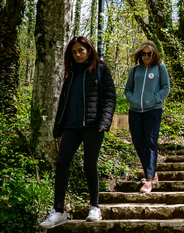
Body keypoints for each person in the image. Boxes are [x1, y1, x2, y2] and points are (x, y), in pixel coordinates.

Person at [39, 36, 116, 229]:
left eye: (81, 50)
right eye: (74, 52)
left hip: (93, 125)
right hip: (71, 127)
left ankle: (94, 207)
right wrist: (58, 128)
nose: (77, 54)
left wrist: (104, 122)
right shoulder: (70, 74)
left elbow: (110, 98)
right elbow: (63, 103)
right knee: (61, 163)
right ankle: (58, 211)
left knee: (90, 165)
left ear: (89, 50)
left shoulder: (101, 69)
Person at [125, 41, 170, 193]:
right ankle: (151, 172)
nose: (146, 56)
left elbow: (166, 89)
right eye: (143, 54)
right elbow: (128, 89)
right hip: (135, 111)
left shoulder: (159, 68)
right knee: (138, 142)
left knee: (150, 142)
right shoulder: (135, 70)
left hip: (153, 110)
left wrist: (153, 99)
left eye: (149, 54)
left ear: (154, 54)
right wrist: (133, 100)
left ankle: (148, 180)